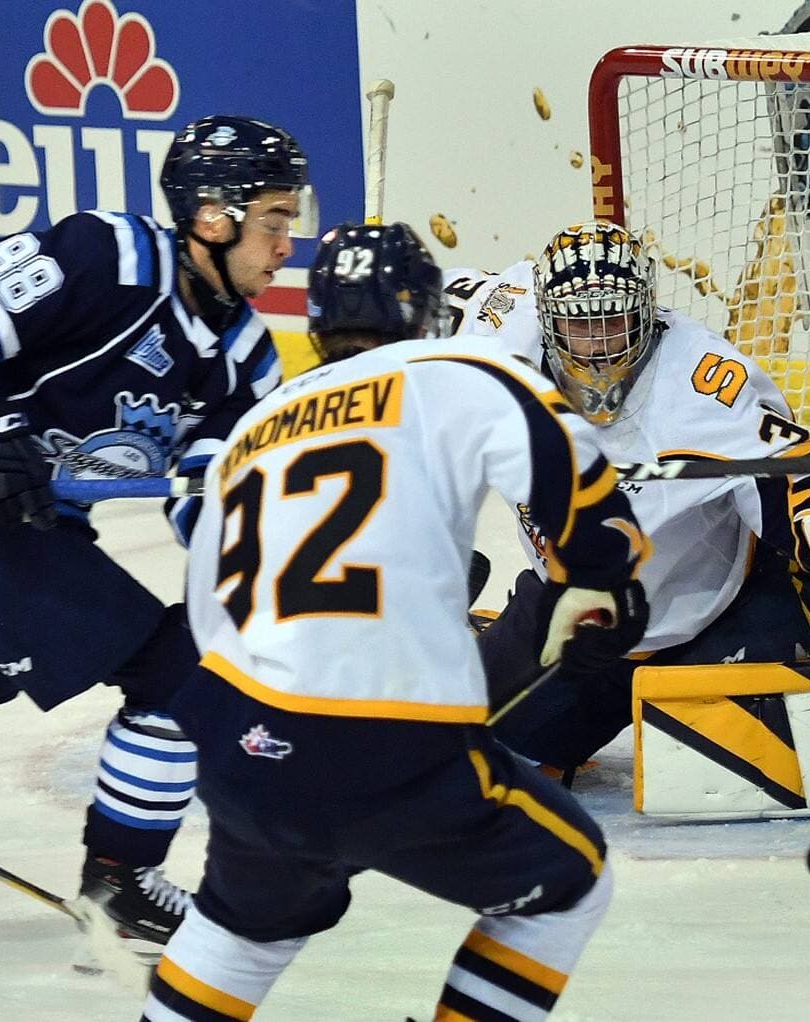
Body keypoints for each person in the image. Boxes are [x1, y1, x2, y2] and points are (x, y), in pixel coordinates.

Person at [141, 221, 650, 1020]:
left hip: (240, 741)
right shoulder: (456, 367)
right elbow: (562, 459)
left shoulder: (250, 431)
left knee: (242, 931)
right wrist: (602, 575)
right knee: (571, 879)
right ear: (426, 314)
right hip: (385, 741)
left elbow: (209, 619)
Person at [0, 114, 318, 960]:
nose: (288, 244)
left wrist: (261, 551)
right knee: (182, 677)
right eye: (276, 221)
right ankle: (122, 883)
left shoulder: (249, 361)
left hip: (18, 529)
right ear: (211, 216)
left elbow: (205, 500)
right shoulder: (104, 257)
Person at [444, 220, 810, 779]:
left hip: (718, 614)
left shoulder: (704, 385)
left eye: (613, 323)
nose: (596, 348)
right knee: (465, 754)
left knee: (743, 768)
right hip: (578, 620)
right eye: (578, 326)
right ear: (545, 321)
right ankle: (500, 648)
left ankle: (785, 621)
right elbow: (404, 297)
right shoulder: (498, 337)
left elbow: (804, 482)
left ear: (647, 314)